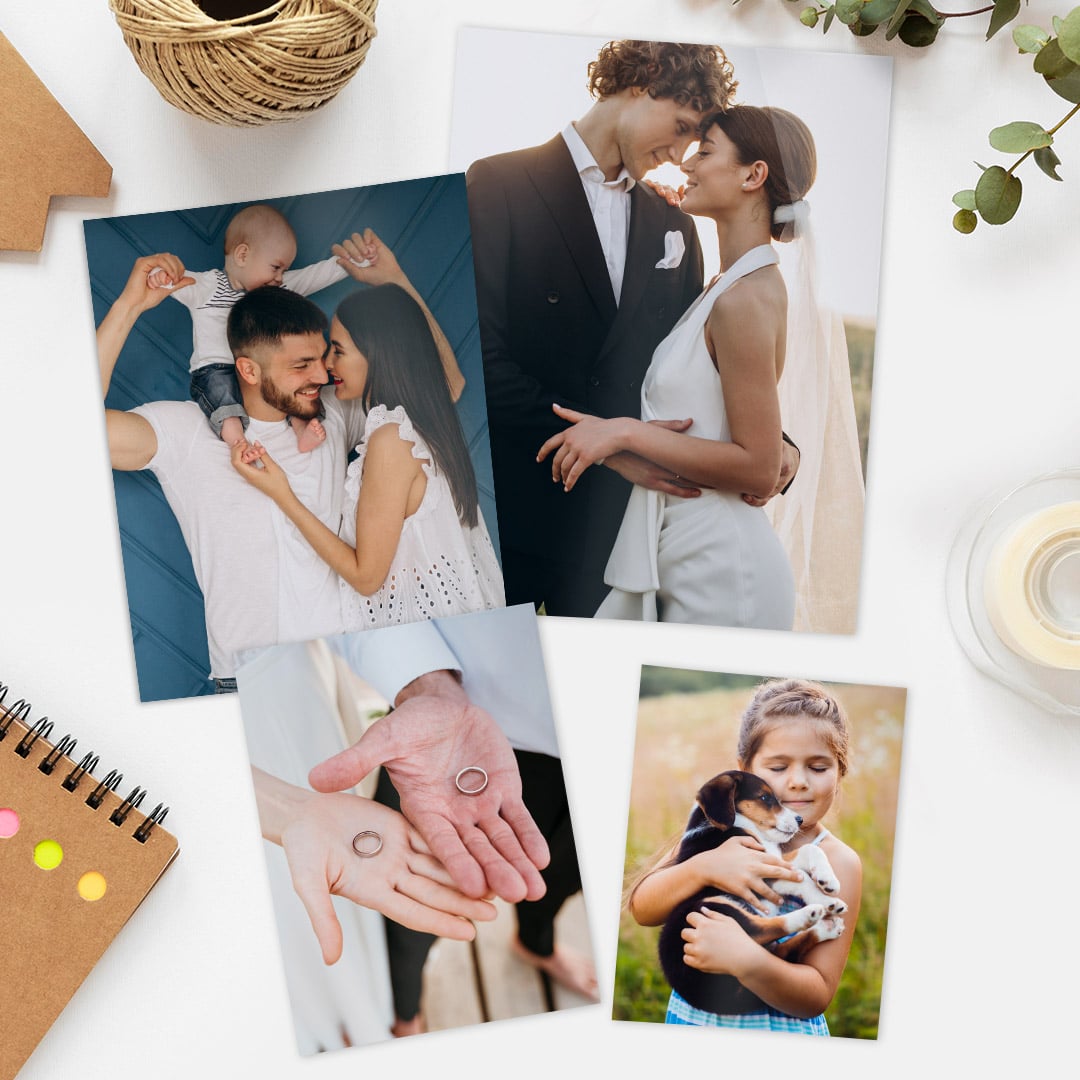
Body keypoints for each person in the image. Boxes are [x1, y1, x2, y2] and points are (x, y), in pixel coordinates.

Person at [98, 233, 463, 690]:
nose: (321, 375)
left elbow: (444, 387)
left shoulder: (333, 413)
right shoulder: (183, 431)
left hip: (350, 670)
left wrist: (393, 280)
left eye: (322, 357)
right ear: (248, 370)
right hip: (247, 682)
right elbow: (68, 432)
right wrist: (130, 305)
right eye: (301, 365)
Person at [466, 40, 740, 618]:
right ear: (643, 79)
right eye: (681, 125)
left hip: (614, 534)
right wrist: (606, 444)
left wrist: (768, 448)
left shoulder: (674, 223)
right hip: (504, 513)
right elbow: (480, 362)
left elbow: (693, 365)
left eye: (696, 141)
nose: (681, 152)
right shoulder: (496, 184)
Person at [236, 606, 592, 1046]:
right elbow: (362, 599)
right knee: (412, 888)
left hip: (596, 746)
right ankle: (405, 1009)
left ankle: (537, 943)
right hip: (449, 741)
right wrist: (428, 686)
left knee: (557, 875)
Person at [538, 106, 819, 628]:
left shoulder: (745, 297)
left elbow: (758, 467)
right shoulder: (723, 287)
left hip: (722, 567)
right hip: (678, 548)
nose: (687, 165)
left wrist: (625, 433)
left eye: (706, 152)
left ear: (753, 175)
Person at [232, 282, 504, 630]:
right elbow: (451, 384)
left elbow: (365, 577)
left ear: (378, 354)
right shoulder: (425, 421)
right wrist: (394, 277)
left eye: (338, 350)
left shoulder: (392, 438)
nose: (328, 365)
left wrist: (283, 494)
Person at [628, 679, 862, 1034]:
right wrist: (703, 868)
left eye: (818, 767)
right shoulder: (715, 834)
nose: (798, 781)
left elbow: (817, 994)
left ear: (840, 771)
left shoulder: (838, 861)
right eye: (778, 767)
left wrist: (745, 959)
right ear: (744, 771)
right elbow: (643, 910)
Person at [151, 202, 355, 453]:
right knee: (222, 400)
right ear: (243, 255)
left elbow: (315, 275)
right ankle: (238, 442)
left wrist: (349, 261)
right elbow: (168, 281)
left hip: (259, 372)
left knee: (291, 389)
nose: (280, 277)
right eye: (276, 267)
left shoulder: (274, 289)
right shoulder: (206, 287)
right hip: (217, 368)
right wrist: (161, 274)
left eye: (284, 270)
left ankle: (302, 429)